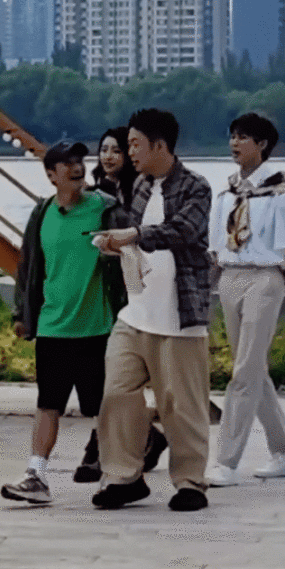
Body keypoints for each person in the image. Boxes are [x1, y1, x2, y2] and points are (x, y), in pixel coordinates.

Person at [91, 108, 212, 512]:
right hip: (136, 312)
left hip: (179, 316)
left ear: (160, 146)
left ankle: (190, 482)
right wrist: (113, 243)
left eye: (135, 144)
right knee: (116, 392)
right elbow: (133, 238)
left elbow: (183, 231)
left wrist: (135, 234)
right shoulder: (139, 185)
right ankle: (123, 477)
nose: (129, 152)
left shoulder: (196, 187)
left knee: (182, 405)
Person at [1, 139, 127, 505]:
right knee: (48, 404)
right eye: (68, 163)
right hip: (52, 327)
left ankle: (118, 475)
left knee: (102, 408)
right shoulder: (42, 214)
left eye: (80, 161)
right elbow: (28, 267)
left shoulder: (106, 209)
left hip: (97, 328)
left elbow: (131, 258)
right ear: (51, 175)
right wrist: (22, 314)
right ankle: (36, 476)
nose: (77, 167)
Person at [206, 113, 285, 486]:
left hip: (265, 279)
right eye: (232, 137)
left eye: (243, 138)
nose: (235, 144)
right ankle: (284, 454)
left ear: (263, 144)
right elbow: (215, 251)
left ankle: (226, 461)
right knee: (253, 370)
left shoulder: (279, 194)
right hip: (230, 278)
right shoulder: (226, 194)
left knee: (244, 372)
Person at [73, 127, 168, 482]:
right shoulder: (92, 193)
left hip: (128, 288)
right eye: (104, 149)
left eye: (117, 150)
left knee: (116, 373)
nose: (109, 156)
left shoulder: (137, 192)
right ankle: (146, 437)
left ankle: (99, 449)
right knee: (100, 371)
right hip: (96, 285)